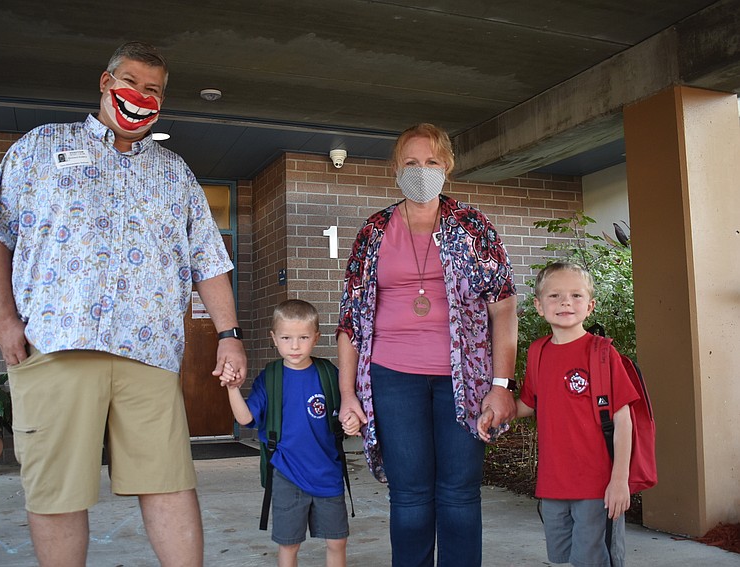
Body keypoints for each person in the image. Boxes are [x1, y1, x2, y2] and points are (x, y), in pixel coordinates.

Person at [0, 41, 246, 567]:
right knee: (57, 491)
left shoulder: (174, 172)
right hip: (56, 346)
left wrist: (229, 335)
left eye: (154, 89)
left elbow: (208, 260)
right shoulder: (41, 147)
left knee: (168, 484)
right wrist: (4, 320)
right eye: (132, 82)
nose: (141, 95)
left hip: (148, 355)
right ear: (105, 81)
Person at [336, 123, 518, 567]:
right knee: (411, 495)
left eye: (432, 162)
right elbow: (350, 320)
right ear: (396, 169)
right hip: (393, 376)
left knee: (458, 492)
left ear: (448, 167)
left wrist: (501, 384)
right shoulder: (374, 232)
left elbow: (504, 307)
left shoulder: (472, 227)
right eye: (411, 163)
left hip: (466, 380)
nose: (422, 171)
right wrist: (347, 394)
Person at [480, 262, 638, 567]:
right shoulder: (538, 351)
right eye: (554, 296)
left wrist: (620, 480)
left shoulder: (603, 353)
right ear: (539, 306)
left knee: (593, 559)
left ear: (590, 306)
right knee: (563, 558)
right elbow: (528, 404)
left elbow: (623, 420)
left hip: (597, 485)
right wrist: (495, 412)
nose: (565, 302)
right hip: (553, 483)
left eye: (576, 295)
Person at [221, 299, 358, 567]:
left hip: (327, 473)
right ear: (274, 338)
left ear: (316, 338)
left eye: (303, 337)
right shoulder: (270, 378)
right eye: (286, 337)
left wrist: (352, 422)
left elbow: (347, 412)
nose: (294, 346)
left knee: (337, 541)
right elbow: (246, 418)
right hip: (287, 475)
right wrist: (231, 388)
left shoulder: (328, 374)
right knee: (289, 544)